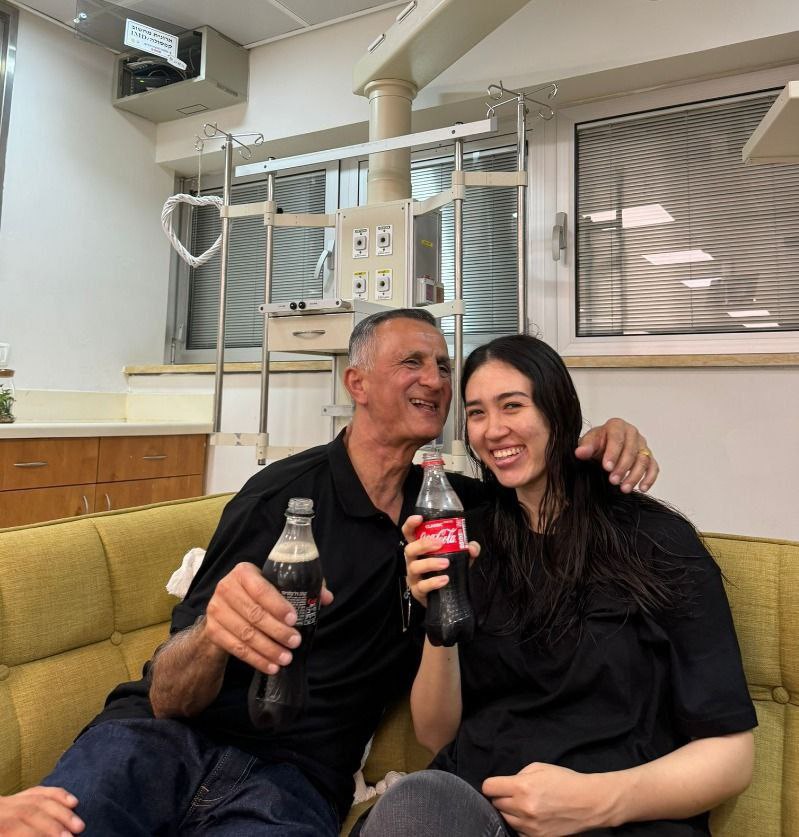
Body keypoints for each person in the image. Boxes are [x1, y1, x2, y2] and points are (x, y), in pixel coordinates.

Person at [4, 310, 657, 836]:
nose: (435, 379)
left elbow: (543, 486)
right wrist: (211, 633)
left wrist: (601, 442)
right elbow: (166, 695)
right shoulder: (276, 499)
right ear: (357, 382)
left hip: (291, 784)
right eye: (412, 361)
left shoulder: (453, 510)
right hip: (159, 743)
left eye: (442, 365)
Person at [359, 334, 756, 837]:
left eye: (513, 406)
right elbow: (436, 733)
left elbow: (732, 756)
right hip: (481, 810)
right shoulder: (467, 536)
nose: (494, 429)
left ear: (557, 410)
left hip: (619, 818)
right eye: (477, 413)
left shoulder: (655, 541)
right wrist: (440, 613)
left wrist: (599, 801)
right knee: (416, 802)